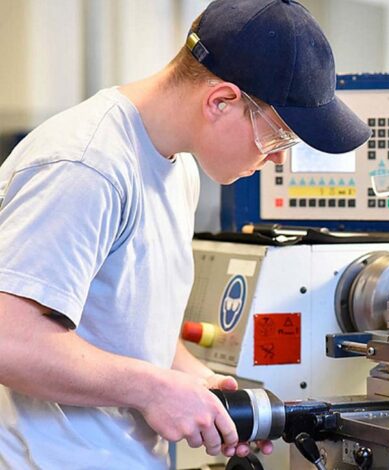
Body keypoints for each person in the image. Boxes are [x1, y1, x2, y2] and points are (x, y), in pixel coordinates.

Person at [0, 0, 370, 468]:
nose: (280, 158)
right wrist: (153, 390)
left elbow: (123, 324)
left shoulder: (179, 169)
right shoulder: (87, 166)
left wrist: (196, 383)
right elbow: (11, 340)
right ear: (221, 101)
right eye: (278, 136)